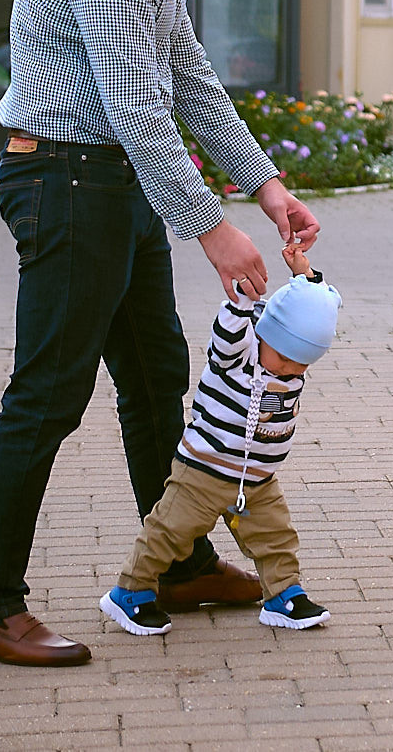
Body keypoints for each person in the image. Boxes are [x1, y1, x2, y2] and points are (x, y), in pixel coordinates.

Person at [0, 0, 322, 667]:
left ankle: (181, 565)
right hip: (68, 181)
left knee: (158, 378)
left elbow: (186, 74)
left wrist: (267, 187)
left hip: (111, 182)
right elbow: (136, 105)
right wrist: (213, 230)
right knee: (48, 394)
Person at [101, 241, 341, 637]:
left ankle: (283, 595)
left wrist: (305, 273)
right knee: (169, 532)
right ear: (264, 334)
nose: (289, 369)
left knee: (276, 536)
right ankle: (130, 592)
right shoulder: (238, 353)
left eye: (301, 362)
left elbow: (315, 306)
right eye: (282, 357)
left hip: (257, 479)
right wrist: (243, 297)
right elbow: (234, 324)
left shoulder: (290, 359)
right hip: (203, 471)